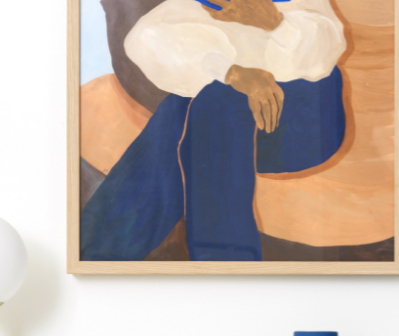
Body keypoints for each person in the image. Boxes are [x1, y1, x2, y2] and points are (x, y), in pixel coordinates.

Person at [81, 0, 348, 261]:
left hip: (304, 127)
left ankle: (220, 261)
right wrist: (233, 73)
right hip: (221, 125)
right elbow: (145, 40)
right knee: (183, 111)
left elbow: (325, 52)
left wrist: (275, 24)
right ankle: (98, 254)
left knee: (217, 102)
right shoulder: (186, 9)